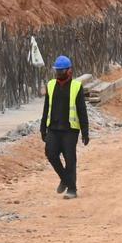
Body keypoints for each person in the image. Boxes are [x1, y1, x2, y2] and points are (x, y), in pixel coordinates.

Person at [40, 55, 90, 200]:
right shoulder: (50, 85)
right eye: (57, 71)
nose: (59, 74)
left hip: (70, 130)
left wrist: (85, 132)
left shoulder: (76, 86)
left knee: (70, 158)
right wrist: (43, 128)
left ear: (69, 71)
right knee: (51, 154)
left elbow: (82, 110)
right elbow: (46, 108)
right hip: (53, 128)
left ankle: (72, 189)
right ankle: (65, 179)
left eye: (62, 71)